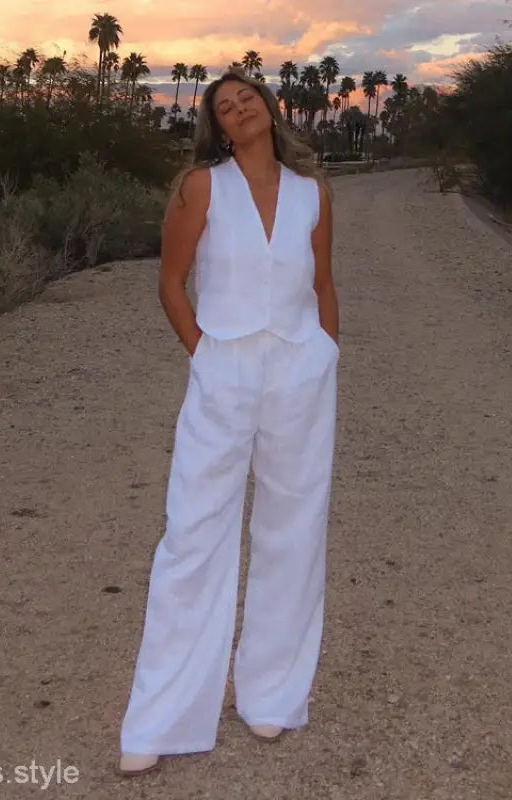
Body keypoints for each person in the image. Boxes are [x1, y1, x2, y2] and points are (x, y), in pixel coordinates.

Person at [118, 68, 340, 777]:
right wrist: (204, 354)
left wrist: (325, 352)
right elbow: (170, 282)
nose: (238, 108)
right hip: (225, 369)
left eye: (247, 98)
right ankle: (162, 717)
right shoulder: (202, 187)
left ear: (269, 108)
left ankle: (272, 693)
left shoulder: (311, 193)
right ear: (215, 126)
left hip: (300, 370)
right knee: (193, 532)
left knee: (293, 530)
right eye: (224, 106)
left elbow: (322, 281)